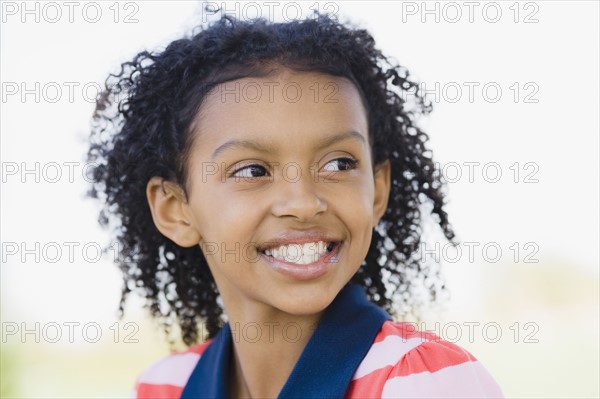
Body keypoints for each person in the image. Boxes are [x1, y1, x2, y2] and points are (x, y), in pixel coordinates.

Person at [87, 12, 504, 399]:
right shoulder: (164, 387)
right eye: (252, 171)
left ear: (377, 191)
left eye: (339, 164)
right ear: (175, 209)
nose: (304, 203)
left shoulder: (423, 382)